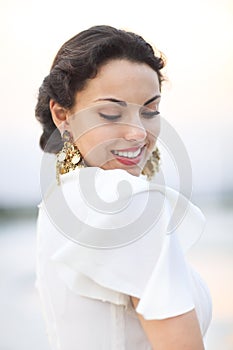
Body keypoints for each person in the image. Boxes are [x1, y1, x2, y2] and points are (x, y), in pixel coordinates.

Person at [35, 25, 212, 349]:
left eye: (150, 111)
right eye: (111, 113)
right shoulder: (127, 204)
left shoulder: (57, 205)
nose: (138, 133)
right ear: (62, 115)